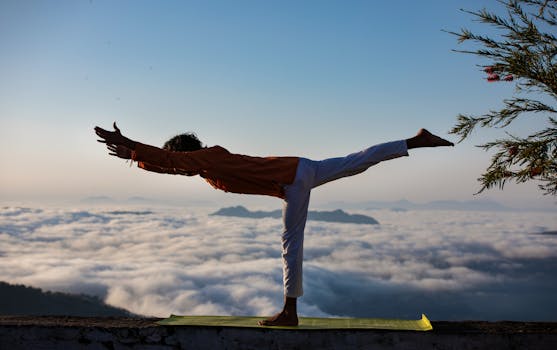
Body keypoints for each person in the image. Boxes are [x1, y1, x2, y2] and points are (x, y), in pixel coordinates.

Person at [94, 123, 454, 326]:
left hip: (292, 180)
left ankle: (289, 311)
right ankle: (415, 141)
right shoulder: (205, 168)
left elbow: (172, 160)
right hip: (300, 170)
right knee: (355, 161)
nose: (180, 167)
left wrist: (131, 145)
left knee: (290, 242)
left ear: (188, 152)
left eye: (180, 160)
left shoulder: (208, 157)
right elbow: (172, 166)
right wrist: (137, 159)